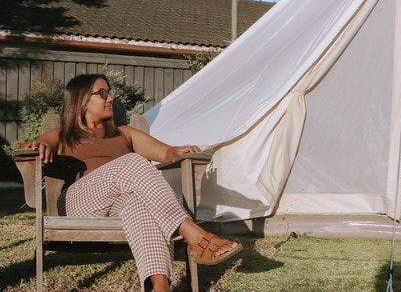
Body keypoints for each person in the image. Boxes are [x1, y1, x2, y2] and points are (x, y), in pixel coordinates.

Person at [18, 73, 242, 292]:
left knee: (139, 206)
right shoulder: (63, 135)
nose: (110, 98)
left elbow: (168, 152)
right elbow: (30, 147)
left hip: (117, 205)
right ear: (83, 101)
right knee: (133, 161)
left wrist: (179, 150)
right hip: (78, 201)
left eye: (110, 92)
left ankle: (160, 286)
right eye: (102, 93)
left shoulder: (125, 134)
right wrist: (40, 146)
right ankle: (194, 234)